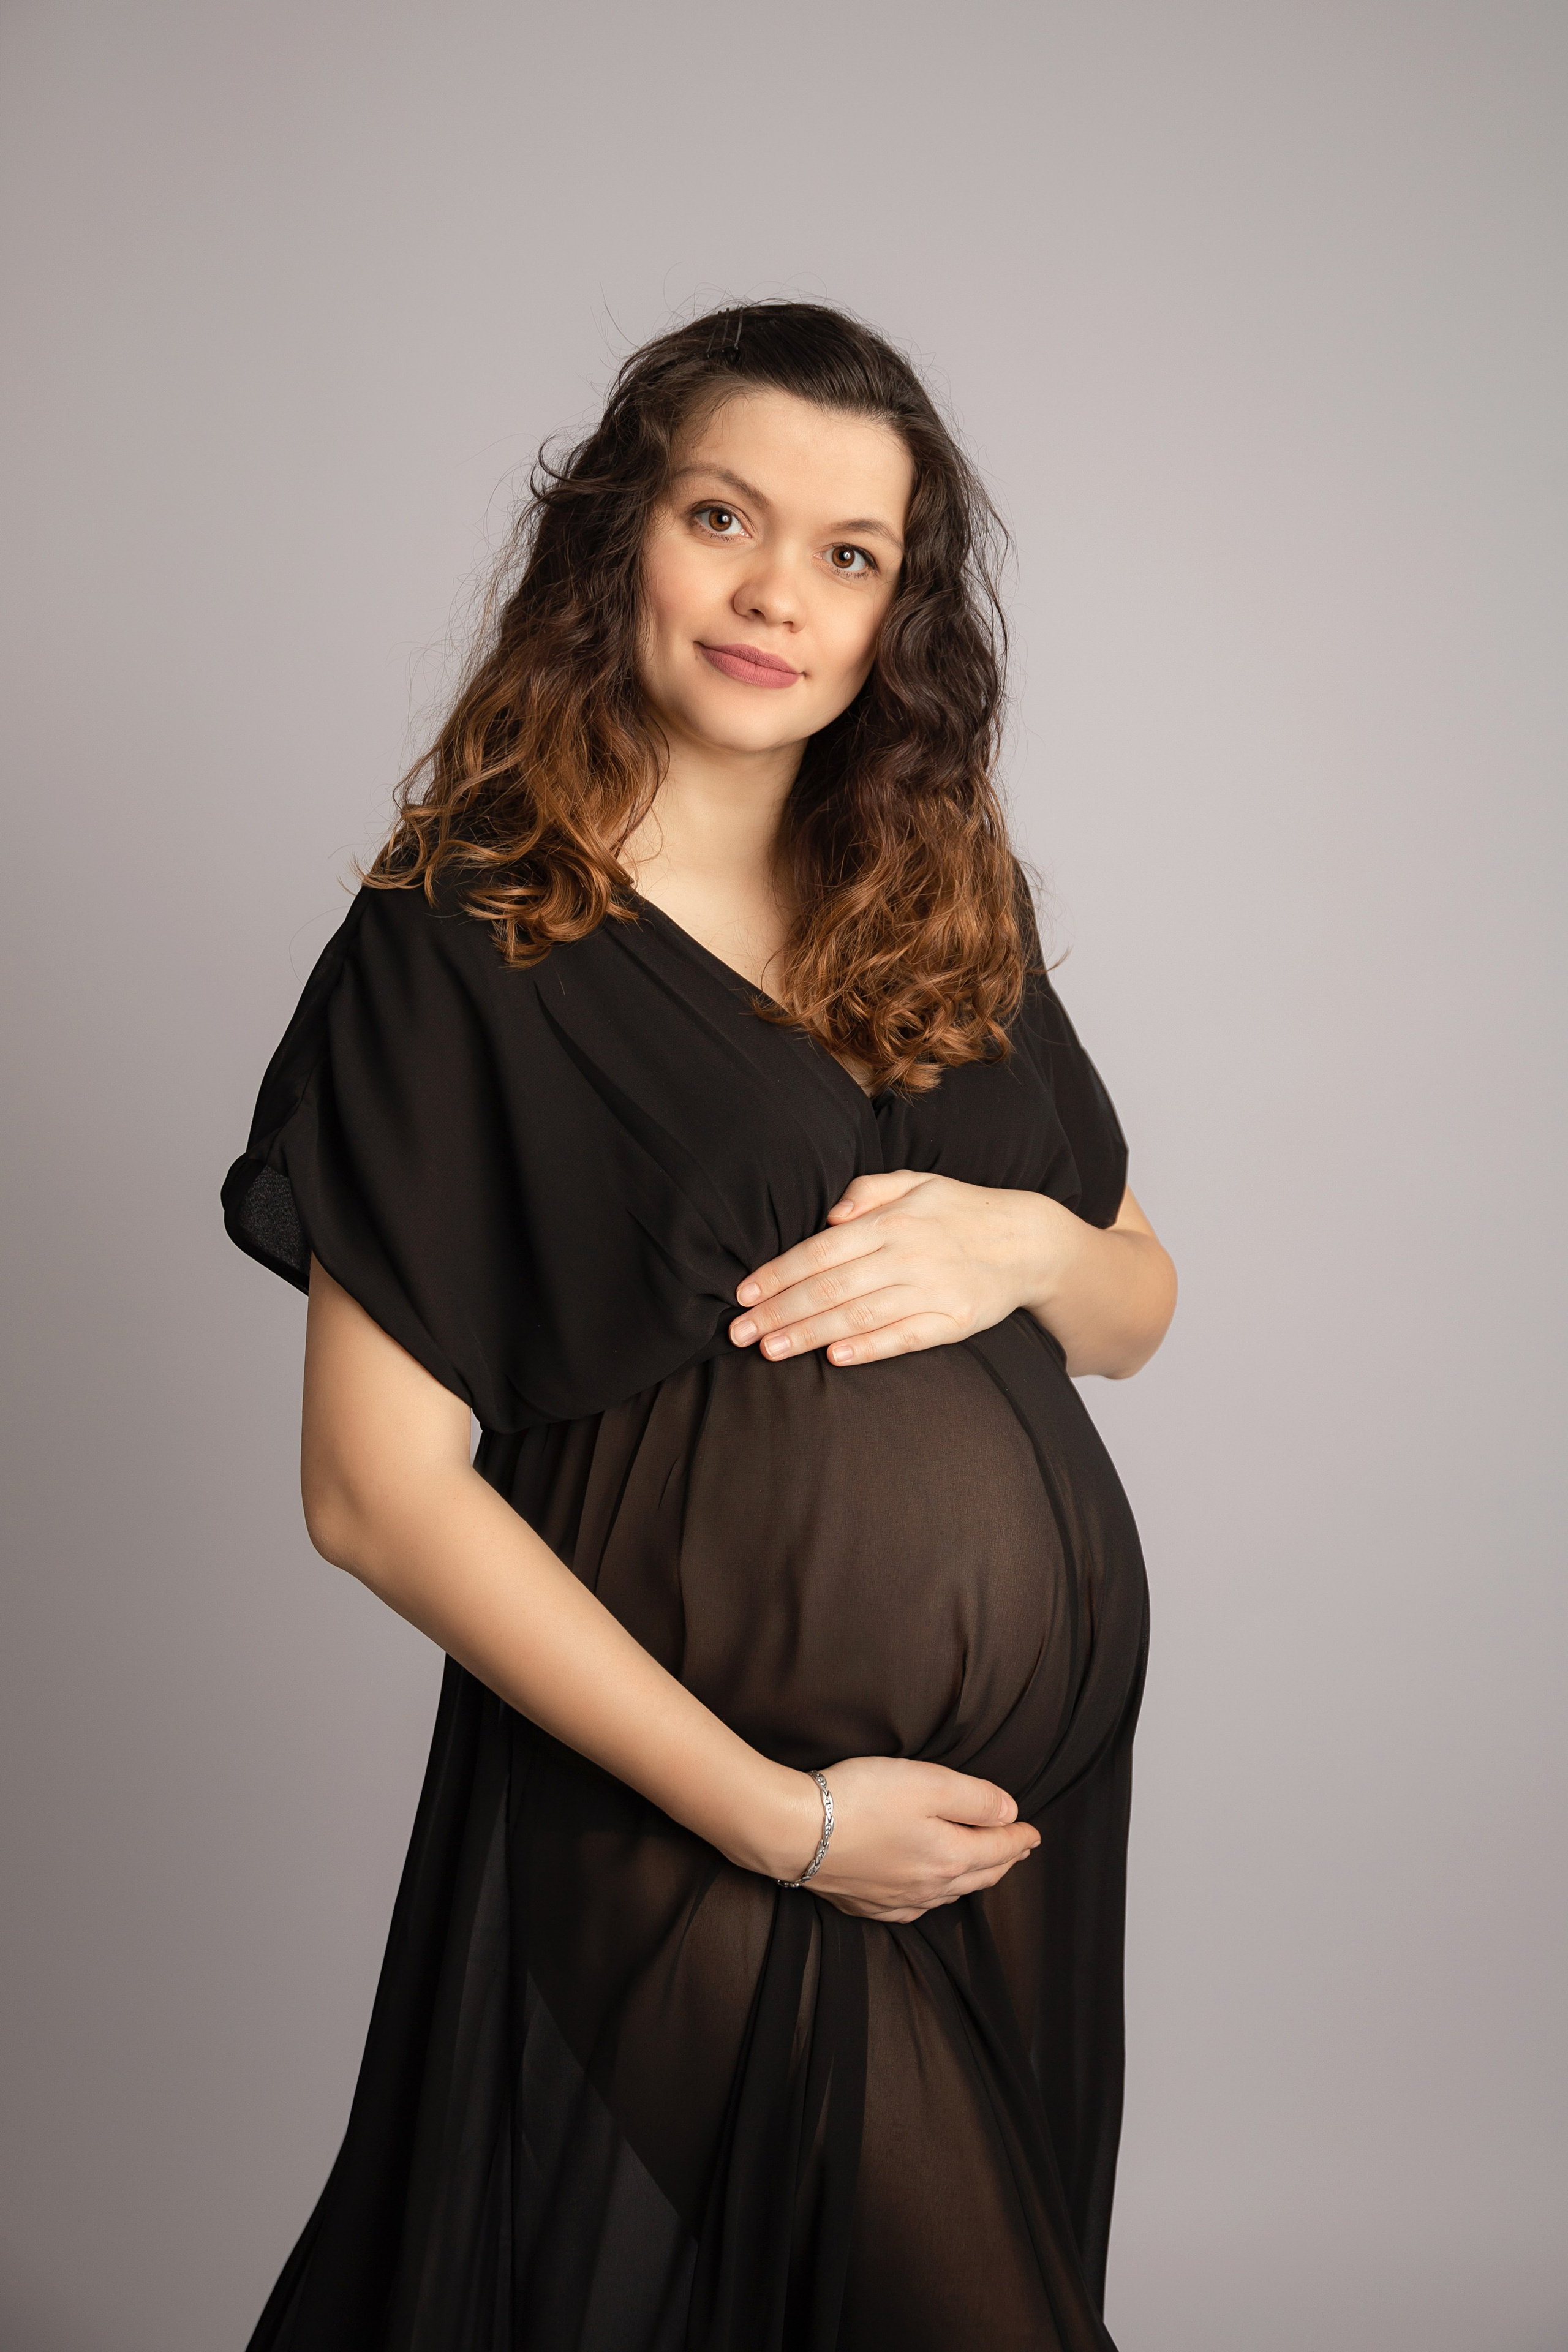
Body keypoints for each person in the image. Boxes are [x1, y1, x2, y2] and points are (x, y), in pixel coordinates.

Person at [223, 300, 1177, 2352]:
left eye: (850, 555)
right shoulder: (465, 930)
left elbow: (1136, 1305)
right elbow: (372, 1497)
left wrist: (1021, 1246)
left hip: (1013, 1835)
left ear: (897, 613)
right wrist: (786, 1817)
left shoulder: (933, 884)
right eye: (722, 517)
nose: (777, 595)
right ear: (614, 543)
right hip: (705, 1808)